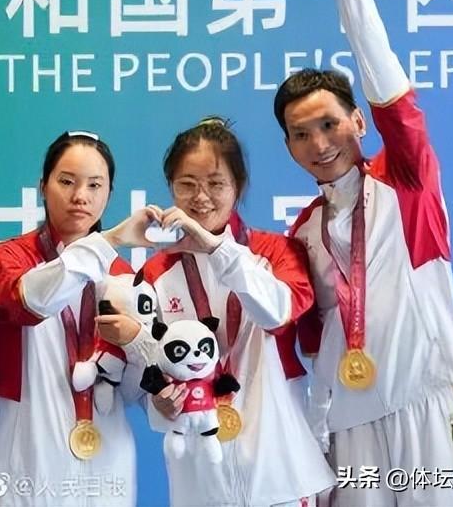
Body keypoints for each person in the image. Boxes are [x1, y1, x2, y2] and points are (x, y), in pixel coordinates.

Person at [270, 0, 453, 507]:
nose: (319, 143)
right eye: (301, 134)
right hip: (350, 426)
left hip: (424, 404)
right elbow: (309, 342)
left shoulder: (406, 181)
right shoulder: (304, 233)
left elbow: (395, 96)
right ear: (288, 147)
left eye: (329, 124)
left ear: (359, 122)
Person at [139, 118, 334, 506]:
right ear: (170, 187)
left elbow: (278, 313)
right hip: (201, 478)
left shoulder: (277, 252)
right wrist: (159, 403)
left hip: (279, 471)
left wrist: (215, 247)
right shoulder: (154, 273)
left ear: (238, 186)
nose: (201, 197)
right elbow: (148, 368)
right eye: (187, 184)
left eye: (216, 184)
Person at [0, 130, 160, 506]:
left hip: (105, 465)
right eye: (67, 181)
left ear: (109, 193)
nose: (80, 196)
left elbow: (133, 391)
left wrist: (137, 343)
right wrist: (108, 241)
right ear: (43, 186)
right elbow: (27, 304)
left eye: (95, 185)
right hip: (24, 461)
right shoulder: (7, 258)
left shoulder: (124, 278)